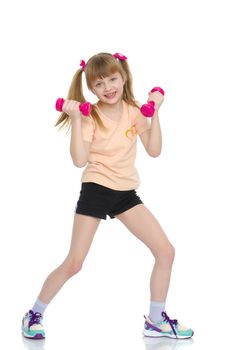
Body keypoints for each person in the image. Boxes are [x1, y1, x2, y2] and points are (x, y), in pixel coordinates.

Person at [21, 52, 194, 340]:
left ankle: (154, 322)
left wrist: (157, 110)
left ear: (124, 76)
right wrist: (76, 118)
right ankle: (34, 314)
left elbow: (154, 150)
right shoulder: (91, 115)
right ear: (91, 89)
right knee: (75, 263)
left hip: (126, 192)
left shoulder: (136, 110)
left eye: (113, 79)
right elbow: (79, 160)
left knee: (166, 251)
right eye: (99, 84)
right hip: (97, 188)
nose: (108, 88)